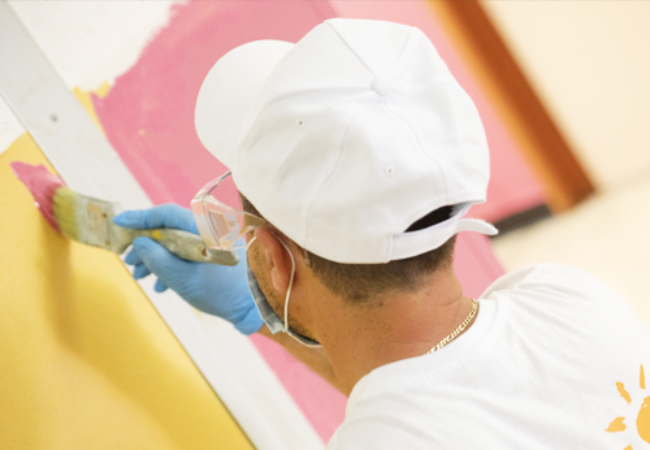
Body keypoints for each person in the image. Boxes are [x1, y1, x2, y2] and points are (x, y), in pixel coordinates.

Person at [113, 18, 650, 448]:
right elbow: (427, 398)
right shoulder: (570, 300)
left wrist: (259, 311)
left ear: (274, 259)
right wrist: (260, 317)